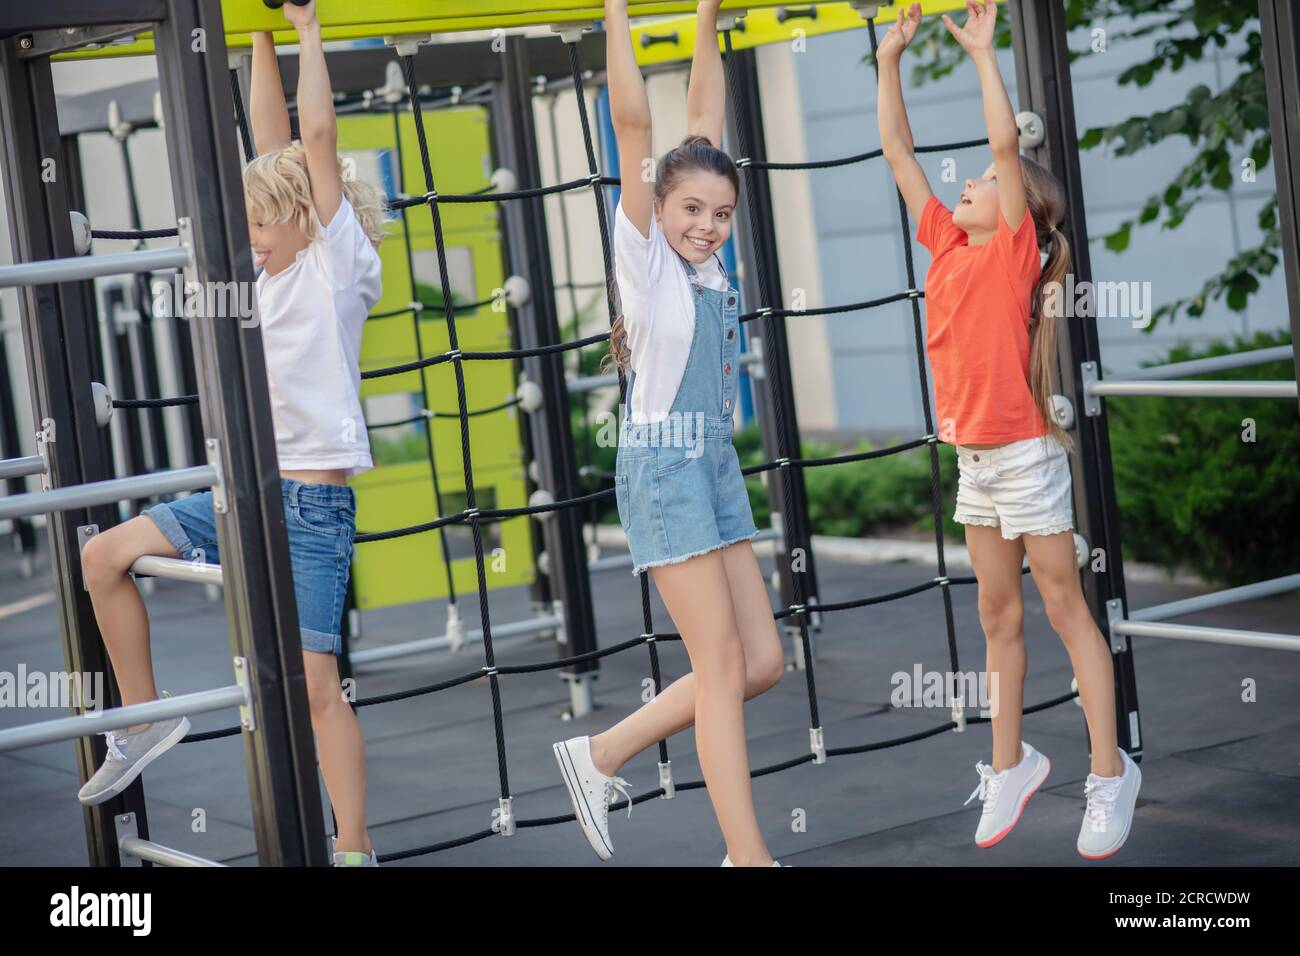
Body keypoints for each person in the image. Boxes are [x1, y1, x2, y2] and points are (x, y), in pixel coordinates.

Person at [77, 0, 386, 868]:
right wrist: (256, 29)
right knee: (102, 557)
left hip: (311, 509)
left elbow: (312, 139)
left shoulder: (335, 265)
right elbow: (272, 138)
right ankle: (145, 718)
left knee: (316, 687)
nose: (244, 240)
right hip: (242, 489)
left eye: (258, 223)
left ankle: (353, 848)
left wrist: (310, 34)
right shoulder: (272, 262)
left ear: (305, 219)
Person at [876, 1, 1140, 859]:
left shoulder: (1009, 253)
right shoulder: (947, 248)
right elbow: (899, 155)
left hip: (1025, 459)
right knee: (997, 618)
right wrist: (889, 65)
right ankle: (1012, 761)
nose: (972, 184)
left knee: (1065, 610)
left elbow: (1002, 149)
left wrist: (985, 56)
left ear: (1019, 207)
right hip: (976, 464)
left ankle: (1110, 773)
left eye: (988, 183)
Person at [551, 0, 786, 867]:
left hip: (713, 465)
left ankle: (600, 753)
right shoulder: (647, 256)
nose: (706, 224)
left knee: (762, 661)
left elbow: (704, 115)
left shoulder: (710, 258)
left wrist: (706, 15)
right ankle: (748, 857)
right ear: (660, 204)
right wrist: (617, 9)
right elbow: (635, 119)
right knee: (720, 668)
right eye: (691, 209)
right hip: (663, 467)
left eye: (720, 213)